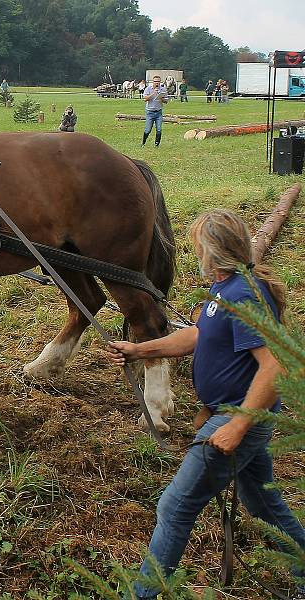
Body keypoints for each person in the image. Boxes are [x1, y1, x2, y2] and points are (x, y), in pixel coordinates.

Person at [108, 209, 305, 600]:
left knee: (176, 507)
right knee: (262, 501)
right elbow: (199, 336)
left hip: (238, 418)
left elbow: (276, 366)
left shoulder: (245, 294)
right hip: (229, 413)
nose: (194, 252)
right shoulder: (226, 289)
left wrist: (237, 425)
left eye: (197, 245)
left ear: (211, 252)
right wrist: (139, 349)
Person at [142, 75, 167, 147]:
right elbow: (145, 99)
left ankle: (157, 144)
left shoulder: (163, 89)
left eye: (158, 81)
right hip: (150, 112)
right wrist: (153, 94)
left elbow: (166, 101)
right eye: (155, 81)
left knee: (159, 129)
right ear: (153, 82)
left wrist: (161, 98)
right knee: (148, 129)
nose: (157, 83)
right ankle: (143, 143)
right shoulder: (148, 89)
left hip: (158, 112)